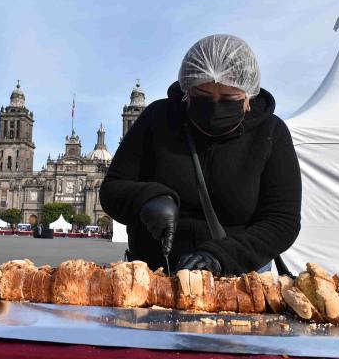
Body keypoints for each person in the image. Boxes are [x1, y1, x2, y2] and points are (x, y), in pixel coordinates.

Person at [100, 34, 301, 276]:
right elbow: (112, 189)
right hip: (156, 276)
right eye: (202, 98)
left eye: (228, 98)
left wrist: (219, 256)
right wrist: (146, 198)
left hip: (238, 278)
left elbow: (282, 221)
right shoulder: (157, 119)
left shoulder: (271, 132)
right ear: (187, 91)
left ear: (248, 95)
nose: (215, 107)